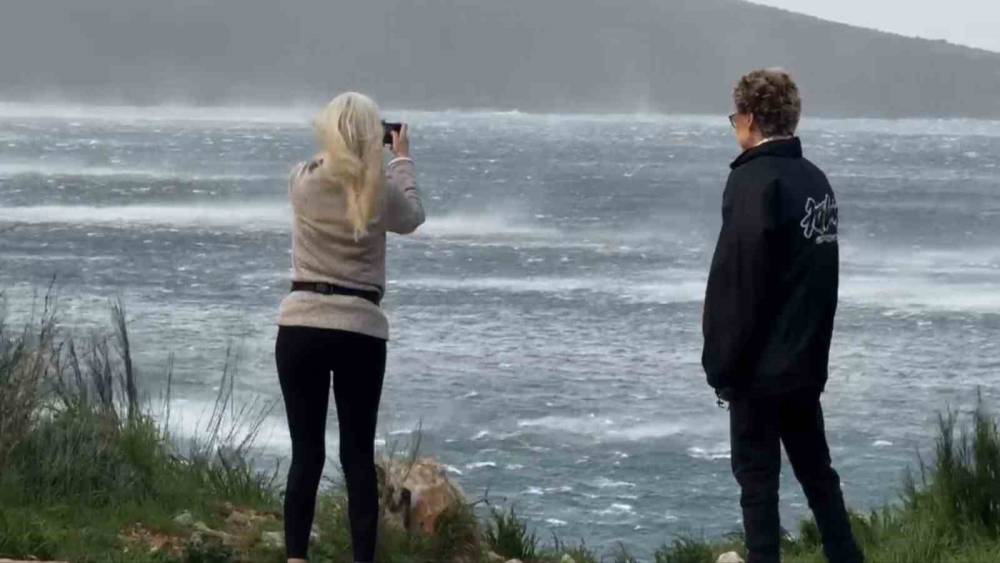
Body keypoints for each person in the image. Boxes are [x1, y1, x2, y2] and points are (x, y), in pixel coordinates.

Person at [702, 69, 863, 563]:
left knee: (757, 482)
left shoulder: (752, 180)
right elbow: (821, 280)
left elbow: (738, 280)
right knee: (817, 473)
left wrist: (721, 365)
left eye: (736, 117)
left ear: (750, 118)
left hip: (757, 368)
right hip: (805, 361)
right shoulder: (815, 181)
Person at [275, 92, 425, 563]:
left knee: (306, 455)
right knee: (356, 456)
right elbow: (413, 217)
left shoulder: (302, 180)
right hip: (360, 331)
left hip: (301, 327)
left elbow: (327, 166)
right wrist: (400, 159)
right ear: (370, 135)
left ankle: (296, 558)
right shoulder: (378, 190)